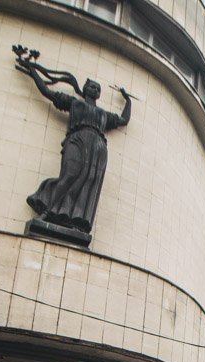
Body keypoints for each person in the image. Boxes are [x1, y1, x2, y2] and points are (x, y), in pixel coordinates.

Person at [16, 53, 131, 233]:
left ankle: (75, 220)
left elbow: (123, 119)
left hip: (98, 147)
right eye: (91, 86)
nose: (94, 89)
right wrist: (33, 71)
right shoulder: (75, 104)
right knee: (70, 174)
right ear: (85, 89)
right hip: (77, 139)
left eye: (97, 88)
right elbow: (48, 92)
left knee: (89, 180)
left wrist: (128, 100)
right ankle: (46, 212)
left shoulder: (103, 115)